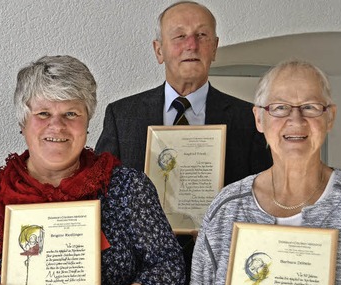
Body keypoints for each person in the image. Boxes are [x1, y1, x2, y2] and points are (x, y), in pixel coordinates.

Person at [0, 55, 186, 285]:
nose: (57, 126)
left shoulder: (128, 187)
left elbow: (169, 264)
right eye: (43, 113)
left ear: (87, 122)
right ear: (23, 123)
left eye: (71, 114)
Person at [190, 59, 341, 285]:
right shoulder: (226, 209)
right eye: (280, 107)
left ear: (329, 117)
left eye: (310, 107)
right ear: (259, 118)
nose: (296, 120)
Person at [95, 1, 272, 186]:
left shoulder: (248, 118)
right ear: (159, 50)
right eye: (179, 36)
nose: (191, 45)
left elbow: (263, 192)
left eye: (202, 35)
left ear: (214, 48)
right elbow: (100, 189)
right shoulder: (122, 116)